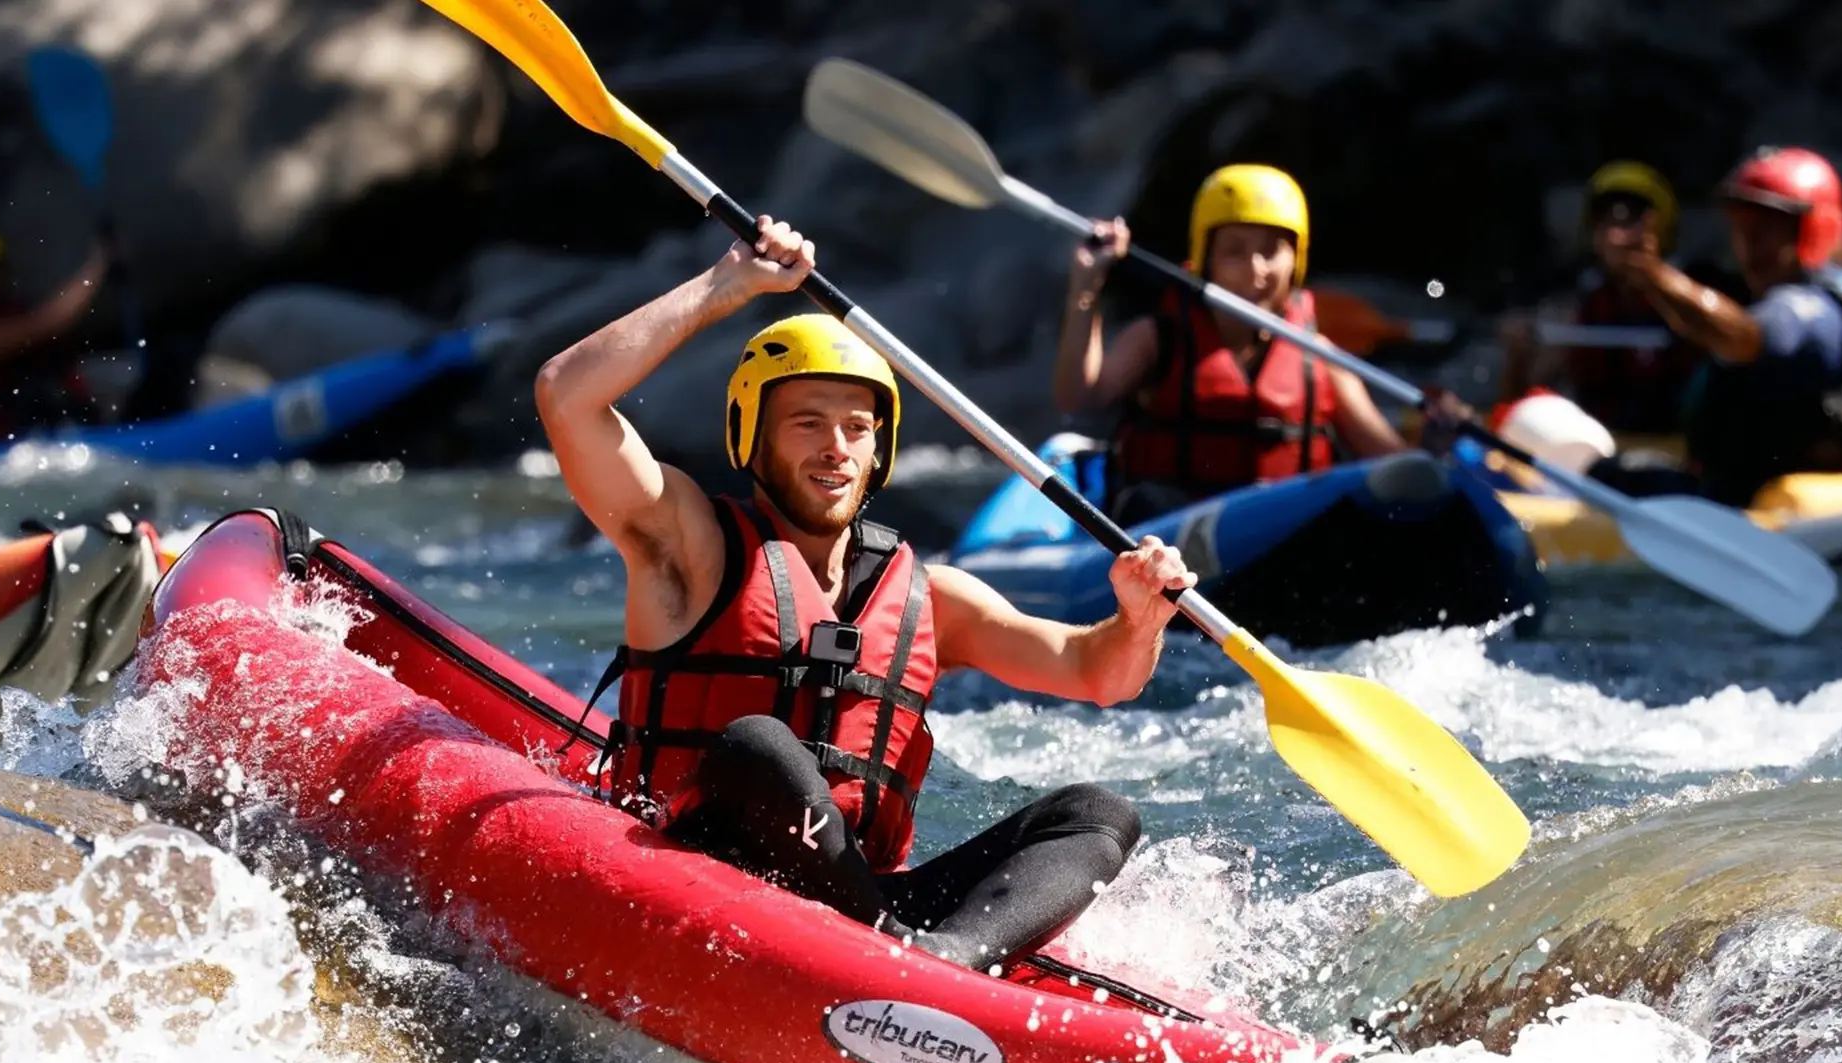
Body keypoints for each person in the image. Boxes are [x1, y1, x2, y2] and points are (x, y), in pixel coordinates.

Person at [537, 215, 1195, 972]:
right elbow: (567, 396)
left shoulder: (934, 598)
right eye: (807, 424)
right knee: (758, 746)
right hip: (694, 870)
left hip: (870, 908)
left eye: (857, 428)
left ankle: (949, 964)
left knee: (1098, 815)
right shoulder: (690, 545)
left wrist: (1139, 619)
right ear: (750, 434)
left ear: (880, 451)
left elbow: (1098, 672)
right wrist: (729, 286)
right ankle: (898, 955)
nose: (835, 449)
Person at [1051, 164, 1459, 526]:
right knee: (1149, 502)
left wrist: (1435, 446)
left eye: (1271, 250)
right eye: (1235, 251)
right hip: (1171, 533)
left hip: (1281, 538)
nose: (1256, 269)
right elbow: (1080, 397)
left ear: (1294, 258)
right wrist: (1086, 290)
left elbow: (1391, 462)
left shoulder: (1319, 357)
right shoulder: (1161, 337)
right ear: (1206, 258)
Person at [1601, 146, 1842, 507]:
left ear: (1813, 229)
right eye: (1742, 225)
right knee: (1614, 471)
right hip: (1738, 500)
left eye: (1768, 227)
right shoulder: (1772, 299)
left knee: (1606, 475)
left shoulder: (1812, 310)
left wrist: (1651, 274)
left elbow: (1746, 339)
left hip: (1777, 517)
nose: (1750, 244)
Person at [1497, 161, 1722, 438]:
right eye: (1607, 222)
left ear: (1660, 225)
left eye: (1631, 219)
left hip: (1680, 448)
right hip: (1604, 454)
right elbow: (1522, 405)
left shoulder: (1699, 292)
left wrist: (1652, 275)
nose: (1617, 235)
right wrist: (1518, 360)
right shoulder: (1586, 306)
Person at [0, 212, 114, 441]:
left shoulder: (9, 312)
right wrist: (100, 263)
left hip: (61, 438)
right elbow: (50, 322)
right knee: (32, 398)